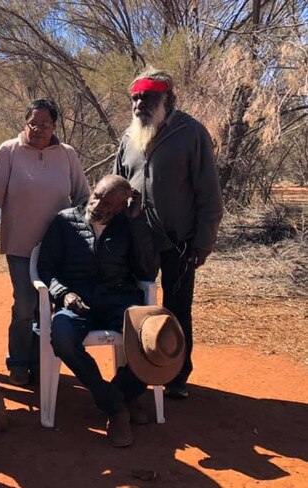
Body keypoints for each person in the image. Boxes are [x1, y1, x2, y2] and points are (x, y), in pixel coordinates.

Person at [114, 67, 224, 399]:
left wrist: (202, 244)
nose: (139, 104)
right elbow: (117, 186)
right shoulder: (128, 137)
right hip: (137, 241)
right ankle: (137, 370)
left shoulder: (192, 134)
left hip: (180, 243)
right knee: (135, 307)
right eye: (135, 98)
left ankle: (176, 375)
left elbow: (209, 196)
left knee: (177, 310)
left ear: (168, 98)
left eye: (147, 97)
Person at [37, 175, 165, 447]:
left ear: (121, 207)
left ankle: (114, 397)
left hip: (119, 301)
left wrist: (136, 223)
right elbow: (46, 267)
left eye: (108, 203)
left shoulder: (126, 224)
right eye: (97, 195)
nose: (97, 205)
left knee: (154, 340)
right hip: (78, 301)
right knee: (61, 334)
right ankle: (118, 406)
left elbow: (147, 270)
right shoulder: (64, 220)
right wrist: (64, 293)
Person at [0, 99, 90, 386]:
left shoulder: (67, 154)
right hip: (20, 245)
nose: (39, 129)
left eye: (45, 124)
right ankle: (18, 361)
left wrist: (89, 235)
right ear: (25, 123)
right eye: (33, 123)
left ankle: (42, 362)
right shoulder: (9, 151)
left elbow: (83, 197)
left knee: (53, 305)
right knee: (25, 304)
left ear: (55, 126)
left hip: (59, 249)